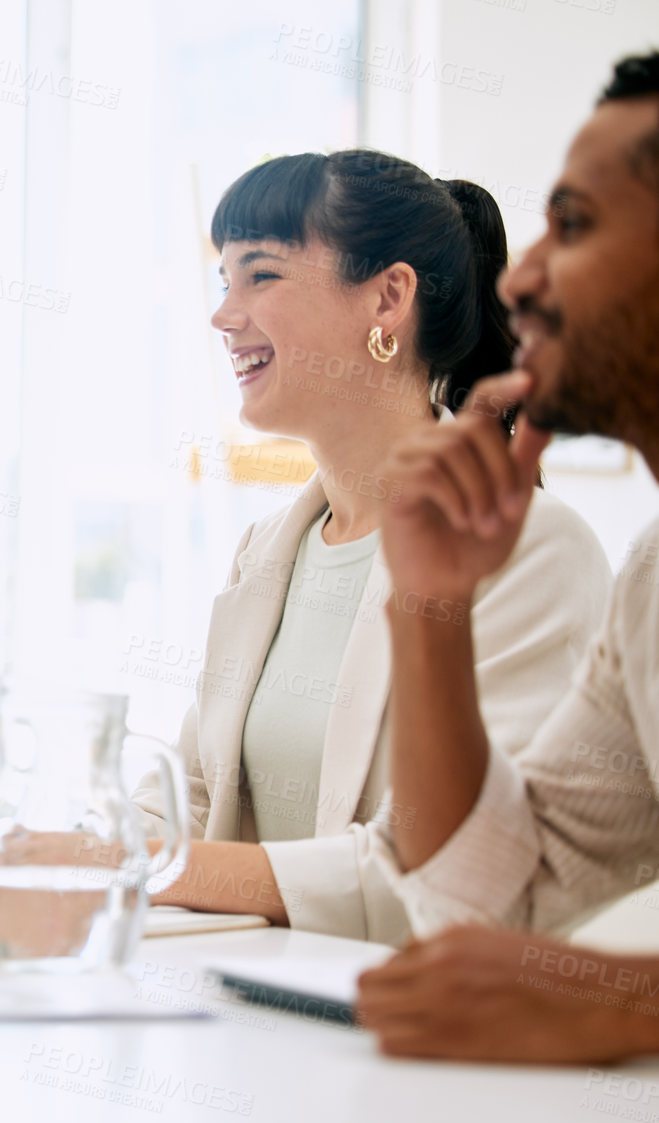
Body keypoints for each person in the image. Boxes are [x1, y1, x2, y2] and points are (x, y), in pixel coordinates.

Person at [129, 149, 610, 943]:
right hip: (252, 1017)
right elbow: (192, 795)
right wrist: (67, 842)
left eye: (262, 276)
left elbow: (462, 868)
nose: (224, 314)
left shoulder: (532, 550)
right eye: (225, 282)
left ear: (387, 298)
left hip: (419, 1044)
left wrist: (147, 867)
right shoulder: (265, 552)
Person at [357, 51, 659, 1062]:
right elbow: (502, 897)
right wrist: (430, 604)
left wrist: (617, 1000)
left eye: (571, 226)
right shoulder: (653, 579)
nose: (520, 276)